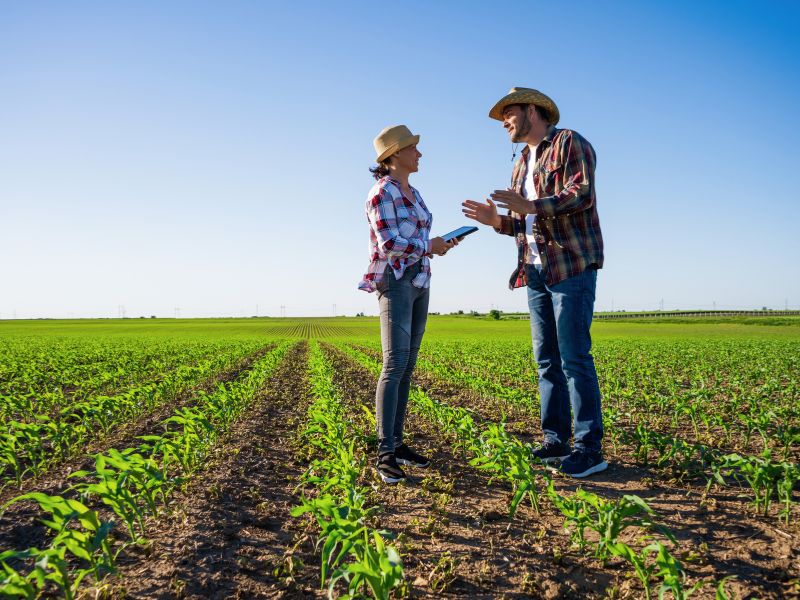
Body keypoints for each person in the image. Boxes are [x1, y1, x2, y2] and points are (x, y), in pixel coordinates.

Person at [462, 88, 607, 478]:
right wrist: (499, 222)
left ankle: (589, 447)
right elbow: (526, 223)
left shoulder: (568, 142)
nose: (504, 123)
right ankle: (555, 440)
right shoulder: (521, 162)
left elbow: (581, 193)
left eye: (508, 114)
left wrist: (531, 206)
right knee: (546, 359)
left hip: (571, 263)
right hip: (535, 268)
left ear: (531, 110)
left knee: (574, 357)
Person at [359, 124, 456, 484]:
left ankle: (398, 445)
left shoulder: (413, 192)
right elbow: (388, 243)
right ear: (394, 155)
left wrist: (438, 244)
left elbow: (416, 237)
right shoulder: (381, 193)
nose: (419, 153)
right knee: (394, 363)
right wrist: (429, 246)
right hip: (395, 282)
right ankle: (384, 453)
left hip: (419, 280)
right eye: (413, 148)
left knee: (408, 365)